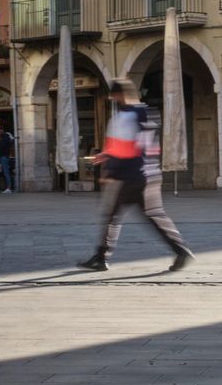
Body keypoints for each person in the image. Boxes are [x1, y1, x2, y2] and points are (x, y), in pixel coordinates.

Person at [77, 78, 194, 272]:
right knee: (153, 216)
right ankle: (180, 251)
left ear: (119, 95)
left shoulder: (125, 116)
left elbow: (126, 150)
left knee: (112, 216)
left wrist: (110, 171)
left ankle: (101, 257)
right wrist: (106, 154)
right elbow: (141, 146)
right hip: (148, 173)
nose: (112, 99)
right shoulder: (146, 113)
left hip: (129, 176)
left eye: (113, 95)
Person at [0, 127, 15, 193]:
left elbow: (1, 147)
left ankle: (9, 188)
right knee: (5, 172)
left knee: (6, 172)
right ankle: (7, 188)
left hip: (4, 157)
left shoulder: (5, 138)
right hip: (2, 157)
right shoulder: (3, 137)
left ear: (2, 130)